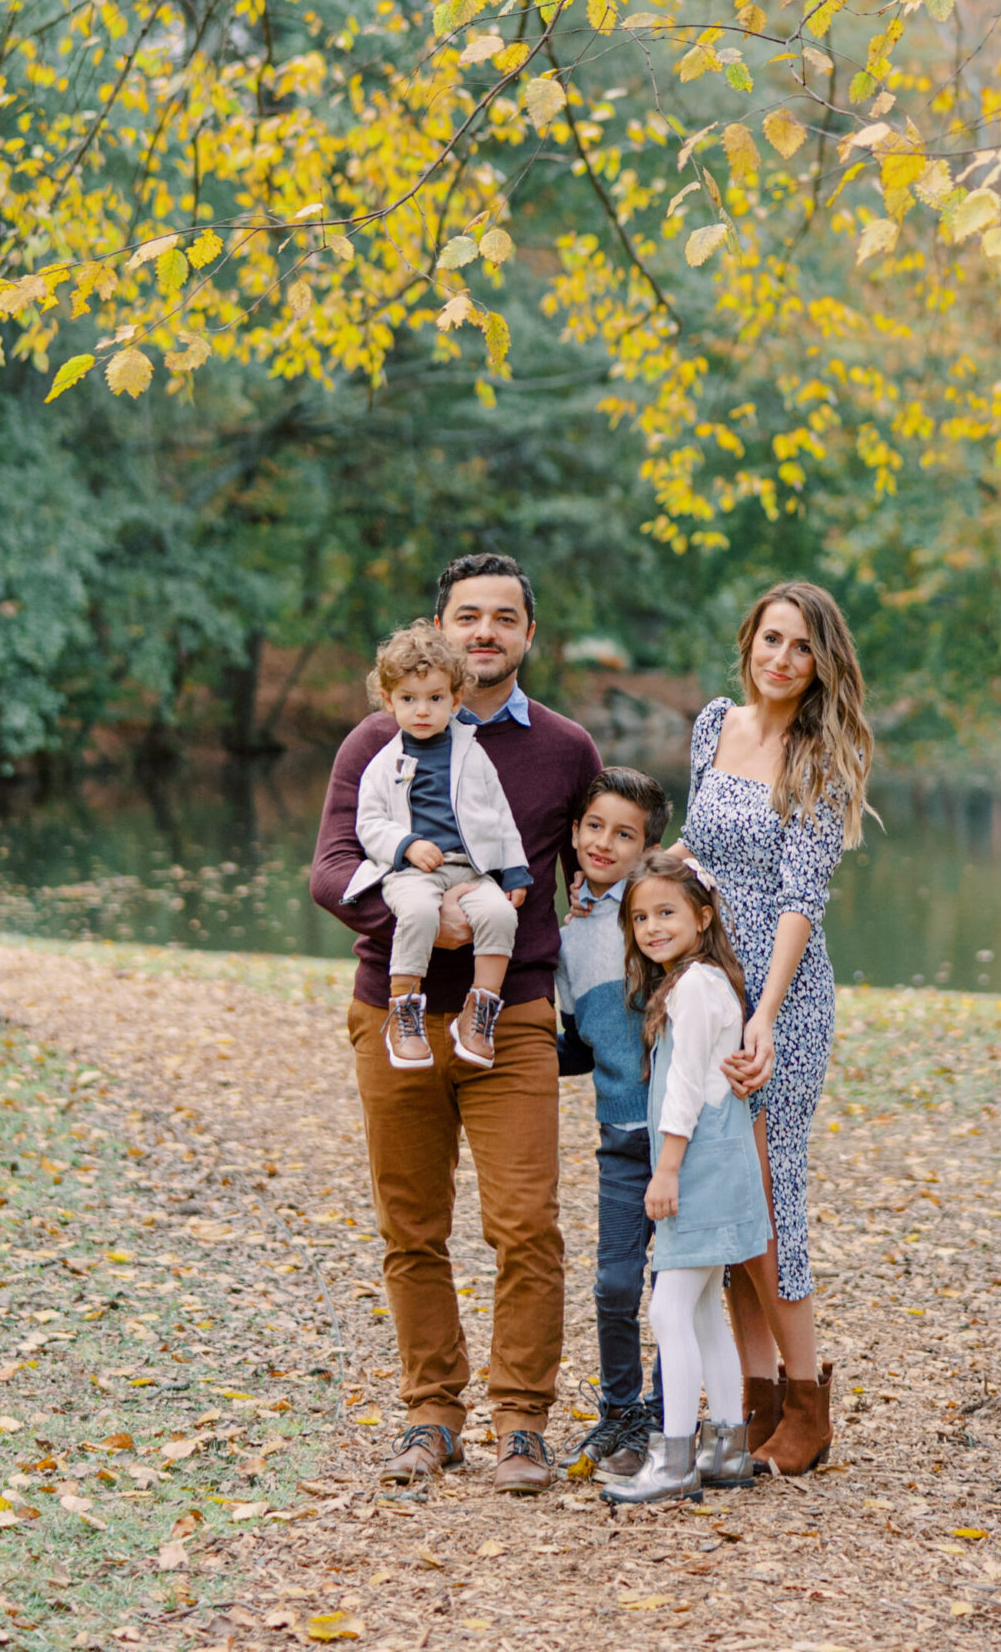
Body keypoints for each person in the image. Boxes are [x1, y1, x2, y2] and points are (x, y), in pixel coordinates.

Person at [309, 553, 601, 1495]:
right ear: (438, 629)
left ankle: (521, 1423)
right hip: (391, 1013)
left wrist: (613, 1003)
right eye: (467, 616)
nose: (485, 632)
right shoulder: (375, 743)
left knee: (526, 1225)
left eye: (504, 618)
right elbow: (329, 869)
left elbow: (591, 885)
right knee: (412, 1226)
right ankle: (432, 1416)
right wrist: (417, 920)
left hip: (511, 1016)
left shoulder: (565, 751)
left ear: (528, 635)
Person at [681, 579, 871, 1477]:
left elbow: (801, 898)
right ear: (748, 641)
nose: (782, 659)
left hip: (779, 998)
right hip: (707, 982)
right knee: (723, 1195)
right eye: (771, 639)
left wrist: (762, 1012)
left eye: (801, 647)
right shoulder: (715, 723)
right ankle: (756, 1404)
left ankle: (807, 1401)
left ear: (820, 663)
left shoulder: (819, 757)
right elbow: (695, 850)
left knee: (765, 1191)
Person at [598, 850, 769, 1506]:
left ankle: (674, 1463)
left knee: (669, 1308)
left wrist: (663, 1171)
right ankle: (727, 1446)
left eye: (666, 912)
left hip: (698, 1165)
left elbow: (688, 1089)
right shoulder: (703, 982)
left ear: (703, 916)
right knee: (701, 1313)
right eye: (640, 917)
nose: (651, 927)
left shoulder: (696, 987)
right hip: (719, 1162)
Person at [555, 765, 672, 1477]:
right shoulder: (568, 933)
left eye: (624, 834)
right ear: (573, 833)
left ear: (647, 848)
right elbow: (575, 1045)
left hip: (686, 1138)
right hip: (620, 1138)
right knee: (614, 1285)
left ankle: (672, 1414)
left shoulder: (658, 913)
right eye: (593, 827)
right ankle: (622, 1414)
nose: (604, 843)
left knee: (680, 1287)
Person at [347, 621, 530, 1072]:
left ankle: (480, 1012)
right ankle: (404, 1011)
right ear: (389, 702)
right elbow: (368, 823)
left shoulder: (471, 754)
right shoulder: (383, 762)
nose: (422, 710)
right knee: (419, 913)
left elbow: (500, 814)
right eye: (409, 699)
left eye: (435, 699)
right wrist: (406, 844)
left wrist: (515, 869)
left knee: (500, 915)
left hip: (470, 871)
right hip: (412, 874)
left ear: (455, 700)